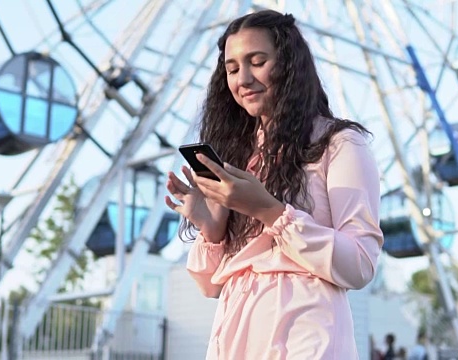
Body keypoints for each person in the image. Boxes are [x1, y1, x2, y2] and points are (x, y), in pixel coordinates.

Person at [164, 9, 383, 359]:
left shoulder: (338, 143)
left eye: (258, 61)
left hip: (303, 332)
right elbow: (210, 285)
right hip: (235, 331)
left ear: (290, 65)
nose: (243, 78)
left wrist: (269, 210)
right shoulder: (239, 155)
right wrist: (211, 227)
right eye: (232, 68)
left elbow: (359, 265)